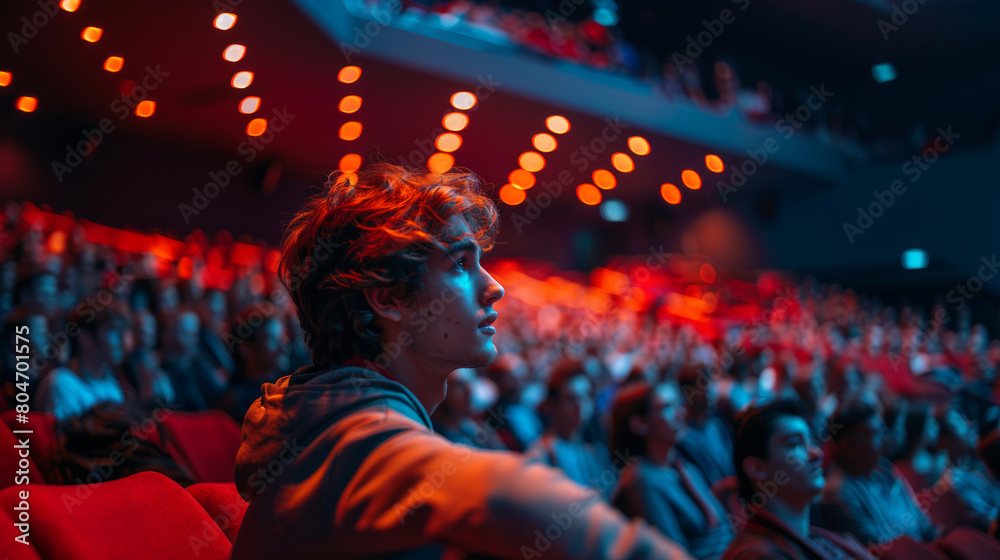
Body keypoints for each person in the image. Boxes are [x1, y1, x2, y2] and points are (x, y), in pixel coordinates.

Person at [230, 164, 692, 560]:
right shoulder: (345, 439)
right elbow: (499, 497)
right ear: (390, 298)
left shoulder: (326, 418)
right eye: (459, 265)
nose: (495, 287)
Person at [723, 399, 876, 560]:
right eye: (796, 444)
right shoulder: (759, 555)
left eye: (810, 441)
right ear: (757, 468)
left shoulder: (819, 538)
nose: (816, 454)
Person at [610, 381, 734, 559]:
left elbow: (723, 529)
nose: (680, 413)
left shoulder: (684, 466)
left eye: (679, 404)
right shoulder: (641, 480)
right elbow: (674, 555)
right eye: (667, 407)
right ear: (640, 424)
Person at [817, 400, 938, 546]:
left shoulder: (885, 471)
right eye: (878, 432)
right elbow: (884, 550)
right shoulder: (838, 495)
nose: (887, 437)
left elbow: (925, 525)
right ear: (848, 445)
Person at [526, 359, 613, 493]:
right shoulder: (540, 456)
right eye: (572, 399)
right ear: (553, 404)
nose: (581, 406)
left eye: (586, 396)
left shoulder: (592, 450)